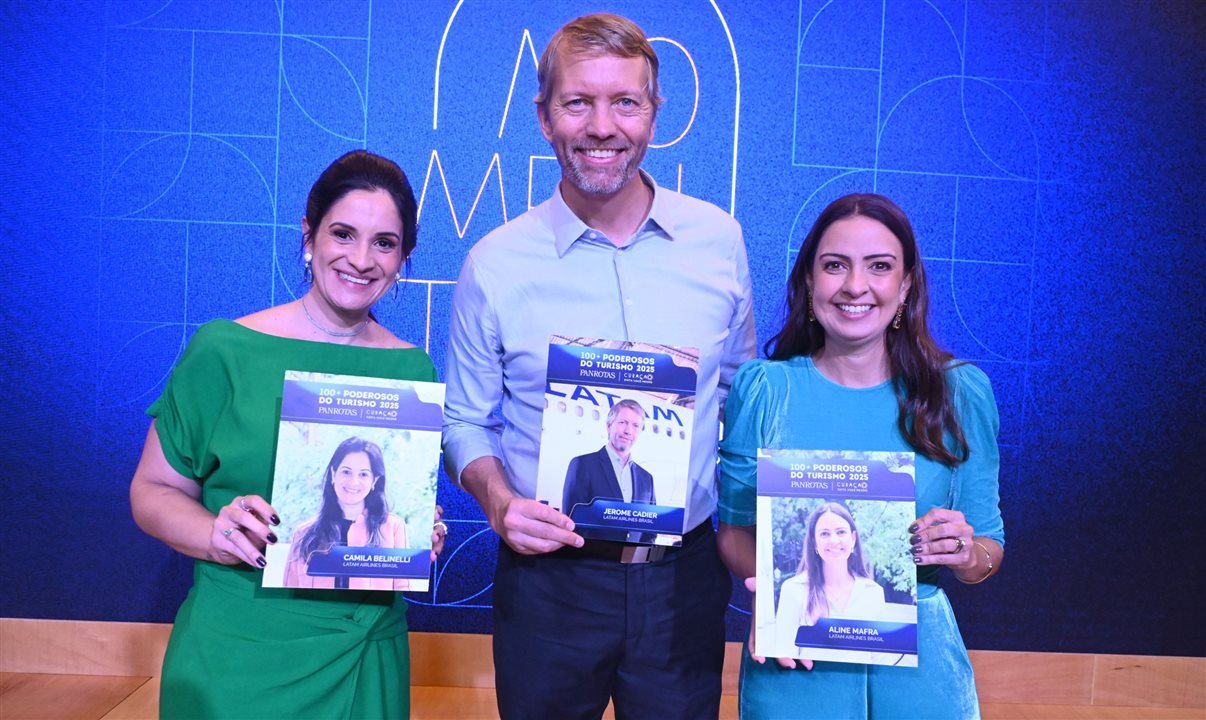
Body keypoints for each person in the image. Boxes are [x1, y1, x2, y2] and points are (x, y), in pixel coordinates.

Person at [442, 12, 756, 719]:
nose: (602, 125)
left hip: (685, 582)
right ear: (545, 116)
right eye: (578, 102)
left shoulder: (719, 242)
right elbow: (463, 420)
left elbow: (741, 399)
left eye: (625, 102)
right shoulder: (494, 264)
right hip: (549, 584)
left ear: (655, 112)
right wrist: (498, 503)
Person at [129, 150, 447, 719]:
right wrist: (214, 532)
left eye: (384, 242)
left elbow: (388, 500)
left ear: (404, 258)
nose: (360, 259)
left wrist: (419, 532)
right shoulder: (224, 350)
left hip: (363, 651)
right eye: (343, 233)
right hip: (237, 652)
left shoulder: (413, 370)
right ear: (309, 233)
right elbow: (152, 491)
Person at [716, 193, 1005, 719]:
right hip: (792, 665)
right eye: (834, 266)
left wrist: (965, 552)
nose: (855, 286)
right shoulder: (764, 389)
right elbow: (734, 533)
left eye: (879, 267)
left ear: (907, 284)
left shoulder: (960, 391)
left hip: (923, 679)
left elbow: (989, 547)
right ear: (809, 280)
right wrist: (772, 596)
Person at [284, 436, 413, 590]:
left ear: (374, 481)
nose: (353, 482)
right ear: (333, 473)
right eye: (346, 472)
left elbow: (403, 592)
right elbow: (289, 594)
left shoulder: (395, 528)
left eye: (363, 474)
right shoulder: (303, 533)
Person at [771, 502, 887, 659]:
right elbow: (785, 653)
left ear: (853, 539)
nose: (834, 541)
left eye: (841, 532)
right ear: (814, 543)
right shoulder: (793, 589)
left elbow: (879, 658)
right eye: (824, 534)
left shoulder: (874, 593)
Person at [561, 398, 656, 513]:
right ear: (609, 426)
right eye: (622, 422)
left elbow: (649, 528)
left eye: (636, 426)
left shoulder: (647, 479)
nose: (628, 431)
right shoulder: (583, 465)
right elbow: (572, 521)